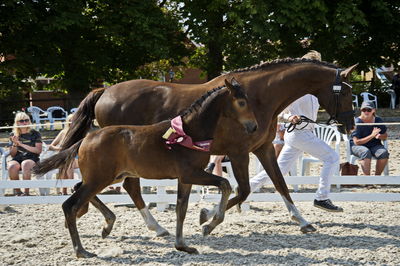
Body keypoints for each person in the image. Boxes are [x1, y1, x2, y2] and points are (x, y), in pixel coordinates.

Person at [249, 50, 343, 212]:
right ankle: (322, 197)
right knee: (332, 158)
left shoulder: (316, 89)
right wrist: (290, 116)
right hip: (299, 132)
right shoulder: (294, 88)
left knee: (279, 169)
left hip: (304, 133)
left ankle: (246, 187)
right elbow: (281, 110)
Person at [8, 112, 42, 196]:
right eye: (21, 121)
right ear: (17, 123)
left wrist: (21, 144)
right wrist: (15, 144)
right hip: (18, 158)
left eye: (26, 120)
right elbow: (12, 154)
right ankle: (18, 192)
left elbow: (38, 150)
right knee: (12, 166)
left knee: (25, 164)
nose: (24, 123)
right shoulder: (13, 135)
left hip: (32, 158)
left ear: (29, 121)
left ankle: (26, 192)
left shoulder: (35, 133)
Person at [350, 101, 389, 175]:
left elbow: (385, 135)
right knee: (365, 152)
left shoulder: (378, 120)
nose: (366, 112)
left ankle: (377, 177)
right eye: (364, 110)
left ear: (373, 110)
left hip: (374, 145)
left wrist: (380, 136)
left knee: (384, 153)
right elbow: (357, 142)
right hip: (357, 146)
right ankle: (367, 179)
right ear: (361, 110)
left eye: (369, 110)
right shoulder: (357, 122)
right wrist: (372, 135)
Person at [48, 114, 79, 195]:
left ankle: (71, 187)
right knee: (65, 163)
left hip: (77, 157)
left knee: (69, 162)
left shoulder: (79, 133)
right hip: (64, 157)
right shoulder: (63, 133)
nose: (72, 122)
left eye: (74, 120)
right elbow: (51, 146)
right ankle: (67, 189)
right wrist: (59, 149)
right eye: (70, 120)